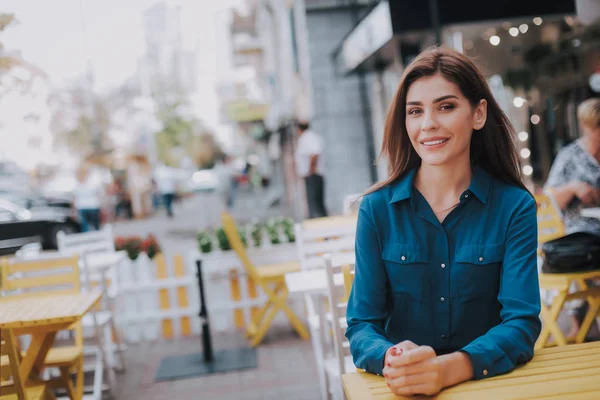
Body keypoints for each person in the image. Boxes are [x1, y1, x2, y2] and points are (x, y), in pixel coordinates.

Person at [346, 47, 541, 397]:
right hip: (405, 389)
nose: (428, 124)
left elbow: (521, 323)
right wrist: (393, 357)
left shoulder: (514, 207)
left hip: (493, 387)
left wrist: (448, 369)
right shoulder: (376, 210)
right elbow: (362, 325)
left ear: (478, 113)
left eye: (446, 107)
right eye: (415, 111)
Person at [544, 98, 600, 339]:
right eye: (595, 128)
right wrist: (574, 188)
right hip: (579, 232)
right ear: (587, 127)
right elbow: (549, 197)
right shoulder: (570, 156)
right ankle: (580, 325)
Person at [295, 121, 328, 218]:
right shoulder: (309, 137)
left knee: (314, 202)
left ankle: (318, 222)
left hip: (313, 175)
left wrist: (311, 170)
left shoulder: (308, 138)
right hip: (313, 174)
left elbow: (315, 153)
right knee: (316, 201)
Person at [73, 162, 104, 232]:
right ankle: (98, 239)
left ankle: (88, 240)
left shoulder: (77, 185)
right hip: (93, 206)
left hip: (82, 207)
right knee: (96, 226)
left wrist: (74, 211)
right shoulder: (92, 183)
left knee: (85, 227)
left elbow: (74, 199)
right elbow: (98, 195)